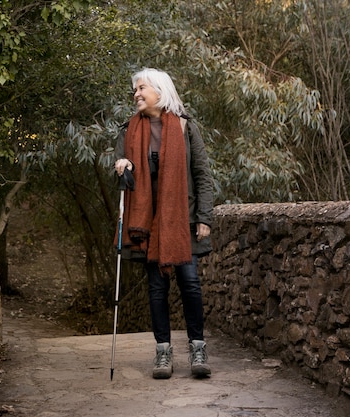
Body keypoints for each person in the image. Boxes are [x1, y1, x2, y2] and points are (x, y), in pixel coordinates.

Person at [114, 68, 214, 379]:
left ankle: (198, 347)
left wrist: (205, 218)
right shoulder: (128, 130)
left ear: (160, 90)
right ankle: (163, 352)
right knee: (156, 288)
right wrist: (120, 165)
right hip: (148, 223)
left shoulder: (185, 128)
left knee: (190, 283)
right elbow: (119, 171)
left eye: (141, 88)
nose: (136, 95)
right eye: (135, 90)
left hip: (181, 220)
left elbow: (203, 177)